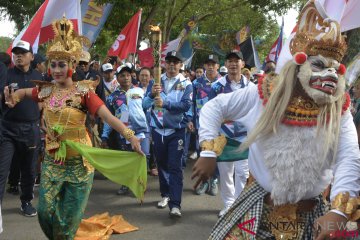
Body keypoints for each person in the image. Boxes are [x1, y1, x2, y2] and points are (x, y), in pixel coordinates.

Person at [192, 1, 360, 239]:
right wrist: (209, 151)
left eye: (336, 68)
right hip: (257, 207)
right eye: (320, 65)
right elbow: (214, 107)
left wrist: (339, 213)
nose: (330, 74)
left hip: (312, 215)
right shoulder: (263, 93)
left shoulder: (338, 109)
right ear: (299, 63)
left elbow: (349, 155)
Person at [3, 17, 146, 239]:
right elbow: (23, 93)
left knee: (68, 219)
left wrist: (131, 136)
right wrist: (14, 99)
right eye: (53, 64)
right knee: (44, 213)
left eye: (62, 64)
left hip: (79, 164)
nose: (57, 69)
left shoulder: (84, 92)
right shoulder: (46, 90)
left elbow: (107, 116)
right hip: (53, 161)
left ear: (71, 65)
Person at [143, 50, 193, 218]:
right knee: (162, 165)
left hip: (176, 131)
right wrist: (151, 94)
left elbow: (186, 105)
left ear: (180, 65)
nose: (172, 65)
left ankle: (175, 204)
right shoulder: (156, 81)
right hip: (157, 130)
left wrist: (166, 104)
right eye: (169, 62)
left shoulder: (186, 84)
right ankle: (165, 195)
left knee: (175, 167)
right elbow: (144, 104)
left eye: (175, 62)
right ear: (164, 64)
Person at [0, 40, 42, 217]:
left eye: (23, 53)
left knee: (29, 169)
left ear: (31, 56)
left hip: (31, 129)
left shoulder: (39, 76)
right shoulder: (6, 74)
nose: (18, 55)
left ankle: (26, 201)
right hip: (7, 129)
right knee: (2, 169)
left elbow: (45, 100)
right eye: (16, 52)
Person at [208, 51, 252, 217]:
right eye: (230, 61)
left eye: (237, 61)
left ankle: (239, 206)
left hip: (243, 136)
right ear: (225, 64)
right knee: (226, 172)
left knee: (242, 173)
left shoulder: (250, 86)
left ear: (242, 64)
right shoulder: (216, 86)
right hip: (223, 136)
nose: (233, 64)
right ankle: (228, 205)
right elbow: (211, 110)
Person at [101, 65, 149, 195]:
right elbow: (109, 118)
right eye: (122, 75)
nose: (126, 78)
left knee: (141, 157)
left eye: (128, 75)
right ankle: (126, 184)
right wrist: (104, 136)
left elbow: (148, 110)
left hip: (141, 132)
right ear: (117, 78)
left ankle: (140, 185)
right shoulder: (113, 97)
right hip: (124, 134)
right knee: (127, 160)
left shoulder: (140, 91)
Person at [192, 54, 222, 196]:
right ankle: (204, 181)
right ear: (204, 66)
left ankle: (214, 180)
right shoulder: (196, 83)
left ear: (217, 65)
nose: (210, 66)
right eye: (208, 64)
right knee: (202, 152)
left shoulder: (223, 83)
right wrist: (190, 120)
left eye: (213, 64)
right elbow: (191, 104)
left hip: (218, 125)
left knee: (216, 152)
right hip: (201, 125)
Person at [139, 67, 157, 176]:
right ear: (138, 77)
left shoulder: (154, 88)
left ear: (150, 77)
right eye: (142, 75)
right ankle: (142, 170)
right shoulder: (135, 89)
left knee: (153, 144)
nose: (144, 78)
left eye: (146, 75)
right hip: (141, 123)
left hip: (153, 120)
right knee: (144, 148)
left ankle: (153, 165)